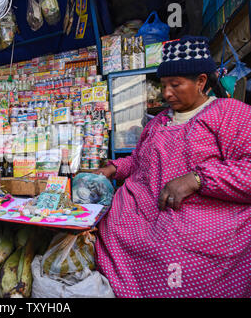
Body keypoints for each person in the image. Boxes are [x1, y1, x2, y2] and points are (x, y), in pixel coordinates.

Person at [94, 36, 251, 297]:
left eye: (175, 85)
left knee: (176, 258)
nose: (166, 93)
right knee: (106, 230)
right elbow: (138, 160)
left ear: (201, 81)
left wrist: (196, 180)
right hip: (139, 217)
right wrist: (112, 169)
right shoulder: (158, 122)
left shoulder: (230, 114)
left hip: (196, 222)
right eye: (164, 85)